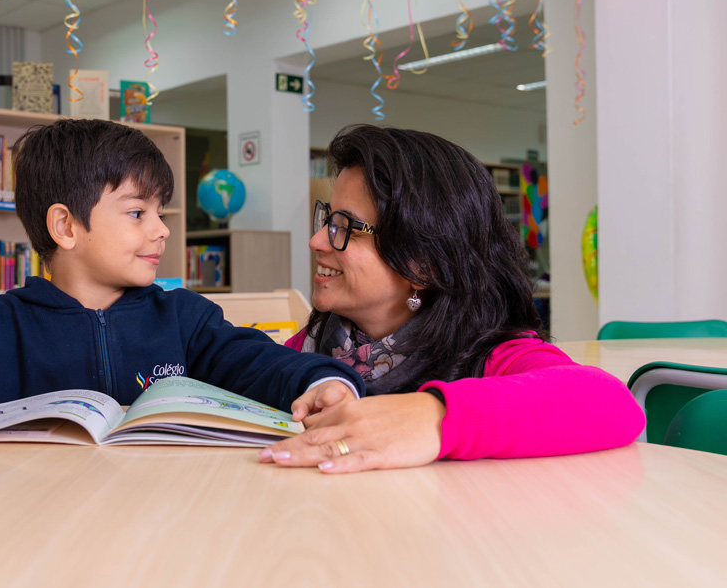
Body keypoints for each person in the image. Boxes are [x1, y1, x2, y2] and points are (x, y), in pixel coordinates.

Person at [0, 119, 364, 446]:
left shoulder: (184, 318)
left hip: (161, 521)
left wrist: (321, 383)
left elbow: (259, 360)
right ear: (65, 226)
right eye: (136, 213)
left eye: (160, 212)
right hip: (30, 529)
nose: (161, 230)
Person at [258, 124, 645, 473]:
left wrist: (433, 417)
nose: (316, 241)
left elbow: (608, 403)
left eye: (346, 228)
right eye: (327, 219)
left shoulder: (489, 355)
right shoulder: (312, 347)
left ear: (423, 264)